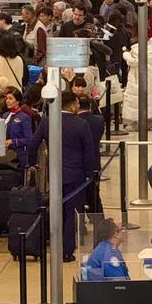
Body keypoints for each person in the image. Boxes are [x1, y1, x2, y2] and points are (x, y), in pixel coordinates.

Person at [27, 92, 98, 262]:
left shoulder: (47, 122)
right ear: (73, 104)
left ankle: (54, 245)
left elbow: (32, 145)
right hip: (76, 177)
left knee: (57, 210)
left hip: (55, 175)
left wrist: (31, 163)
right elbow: (89, 153)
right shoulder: (81, 124)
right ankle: (66, 251)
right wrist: (90, 175)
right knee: (71, 214)